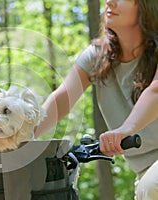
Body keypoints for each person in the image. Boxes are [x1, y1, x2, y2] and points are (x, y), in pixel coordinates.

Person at [34, 0, 158, 199]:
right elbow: (62, 99)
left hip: (152, 183)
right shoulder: (96, 56)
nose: (109, 1)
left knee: (151, 187)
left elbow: (155, 92)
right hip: (145, 175)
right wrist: (23, 136)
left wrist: (125, 130)